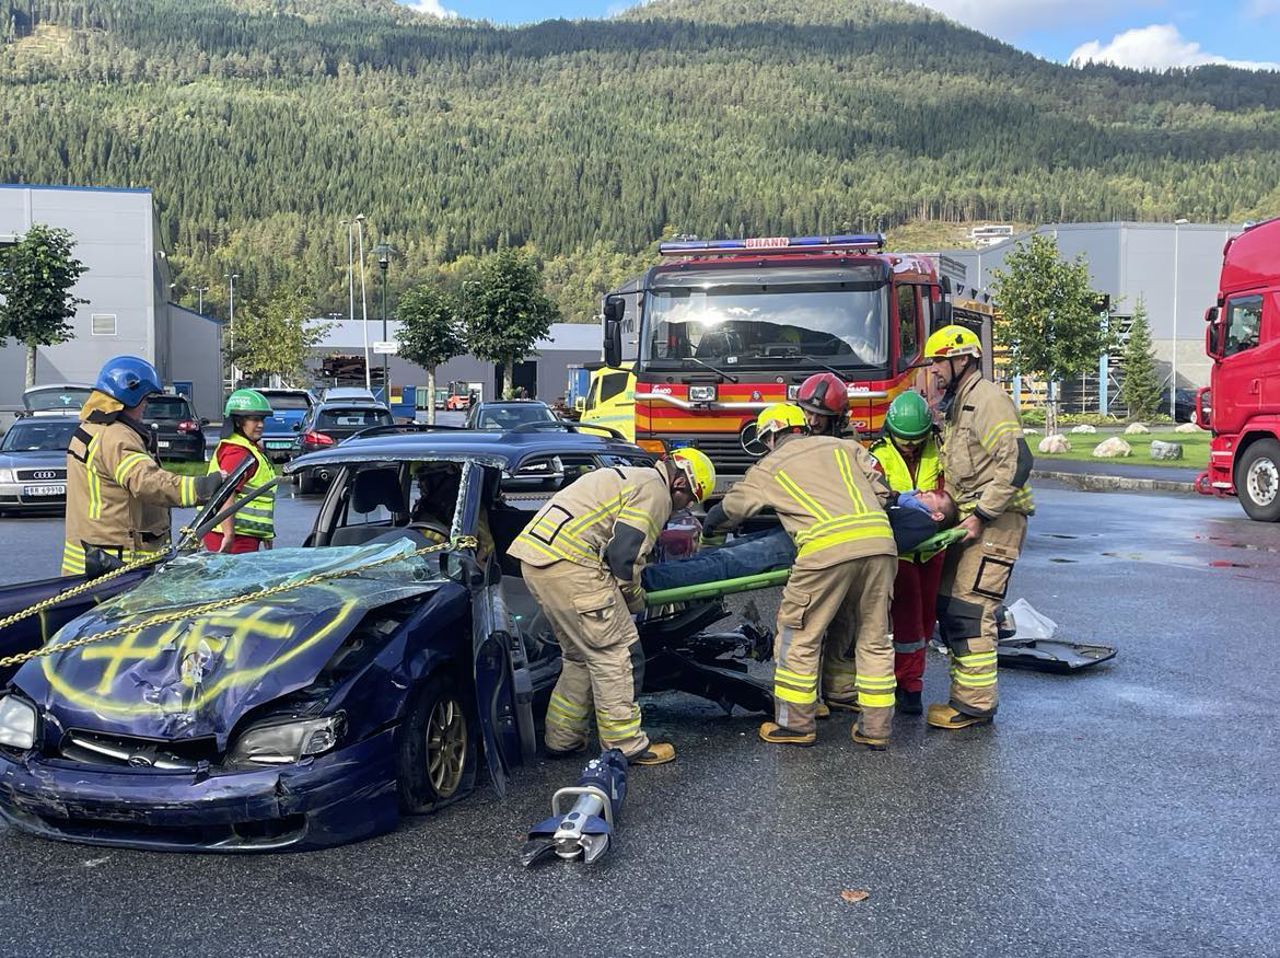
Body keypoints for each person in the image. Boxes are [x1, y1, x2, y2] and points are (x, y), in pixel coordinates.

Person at [703, 403, 898, 750]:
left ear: (772, 436)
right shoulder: (846, 447)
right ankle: (876, 729)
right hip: (880, 544)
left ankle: (794, 725)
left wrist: (710, 528)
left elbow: (733, 508)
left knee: (799, 635)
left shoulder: (771, 465)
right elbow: (883, 492)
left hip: (824, 551)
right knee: (874, 636)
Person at [508, 446, 717, 766]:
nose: (686, 506)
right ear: (679, 484)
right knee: (618, 652)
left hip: (538, 562)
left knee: (580, 655)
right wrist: (634, 598)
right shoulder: (655, 492)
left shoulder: (632, 477)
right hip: (572, 564)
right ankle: (625, 744)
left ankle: (563, 737)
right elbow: (624, 556)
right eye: (690, 498)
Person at [924, 325, 1034, 730]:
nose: (934, 370)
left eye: (938, 361)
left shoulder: (987, 400)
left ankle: (974, 706)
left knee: (971, 612)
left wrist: (981, 515)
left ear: (962, 359)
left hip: (995, 524)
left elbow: (1017, 462)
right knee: (949, 608)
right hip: (972, 522)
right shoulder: (960, 403)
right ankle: (966, 699)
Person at [63, 356, 224, 577]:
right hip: (116, 565)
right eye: (145, 400)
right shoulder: (116, 437)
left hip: (91, 560)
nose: (146, 407)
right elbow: (146, 482)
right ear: (130, 394)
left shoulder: (92, 429)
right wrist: (201, 487)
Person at [863, 390, 948, 715]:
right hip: (899, 551)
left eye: (916, 439)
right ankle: (909, 686)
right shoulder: (877, 457)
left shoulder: (937, 453)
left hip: (932, 550)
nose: (910, 445)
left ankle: (911, 678)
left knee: (926, 621)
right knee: (909, 622)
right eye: (904, 439)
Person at [203, 389, 277, 554]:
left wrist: (265, 532)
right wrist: (229, 534)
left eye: (263, 419)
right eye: (255, 420)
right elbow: (226, 493)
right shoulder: (237, 452)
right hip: (232, 538)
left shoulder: (249, 449)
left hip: (243, 535)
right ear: (238, 421)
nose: (261, 425)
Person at [794, 371, 851, 437]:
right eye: (809, 413)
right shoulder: (788, 435)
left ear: (836, 418)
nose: (813, 422)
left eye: (821, 416)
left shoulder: (848, 438)